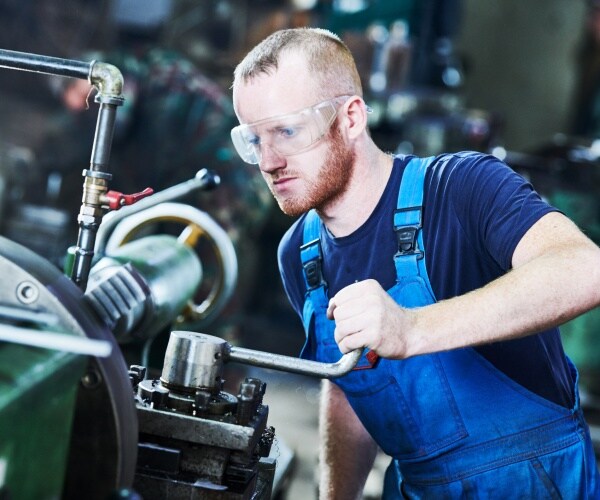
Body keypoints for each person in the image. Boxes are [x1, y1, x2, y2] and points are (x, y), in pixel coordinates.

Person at [230, 27, 600, 498]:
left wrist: (411, 328)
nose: (268, 161)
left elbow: (585, 269)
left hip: (535, 482)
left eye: (286, 131)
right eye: (254, 139)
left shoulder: (462, 189)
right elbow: (348, 386)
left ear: (350, 118)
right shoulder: (300, 256)